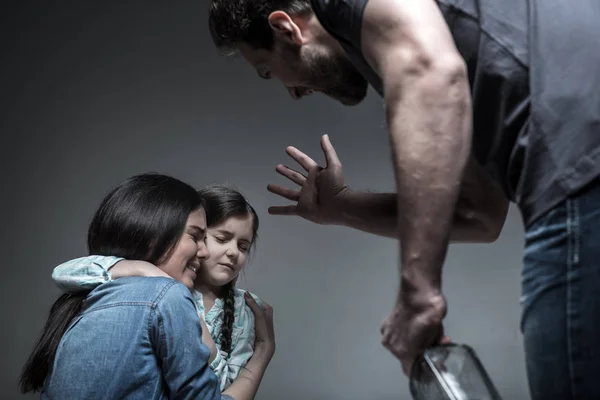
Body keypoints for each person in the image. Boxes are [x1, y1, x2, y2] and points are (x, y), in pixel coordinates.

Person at [207, 0, 600, 398]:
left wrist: (419, 297)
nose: (292, 92)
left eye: (267, 71)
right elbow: (477, 215)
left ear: (286, 28)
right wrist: (342, 206)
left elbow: (428, 76)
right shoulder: (456, 47)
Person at [19, 173, 275, 400]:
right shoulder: (166, 295)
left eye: (243, 246)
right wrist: (262, 351)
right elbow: (64, 272)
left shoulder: (239, 306)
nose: (207, 251)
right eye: (203, 237)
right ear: (162, 230)